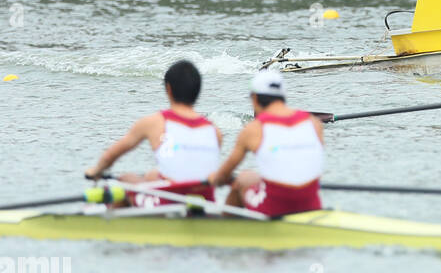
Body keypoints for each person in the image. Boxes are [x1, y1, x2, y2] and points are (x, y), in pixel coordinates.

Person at [83, 59, 222, 207]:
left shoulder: (155, 122)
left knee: (126, 180)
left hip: (169, 202)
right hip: (205, 202)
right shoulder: (215, 131)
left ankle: (112, 220)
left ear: (168, 89)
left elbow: (109, 156)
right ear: (198, 91)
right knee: (152, 175)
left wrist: (96, 171)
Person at [208, 70, 325, 216]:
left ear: (254, 98)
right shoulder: (314, 123)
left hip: (274, 209)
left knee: (242, 179)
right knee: (253, 177)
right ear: (283, 96)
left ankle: (226, 226)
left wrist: (214, 179)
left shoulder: (253, 129)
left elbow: (222, 176)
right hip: (312, 204)